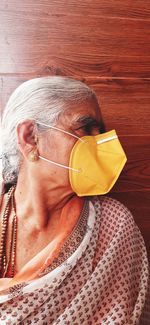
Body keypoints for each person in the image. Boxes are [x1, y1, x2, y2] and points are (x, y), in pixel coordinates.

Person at [0, 76, 149, 324]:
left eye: (99, 132)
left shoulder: (113, 226)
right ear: (30, 138)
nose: (99, 144)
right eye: (85, 128)